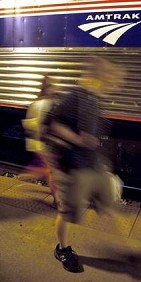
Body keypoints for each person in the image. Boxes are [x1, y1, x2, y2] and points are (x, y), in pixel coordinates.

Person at [40, 57, 124, 273]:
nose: (113, 82)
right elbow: (49, 123)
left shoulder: (95, 99)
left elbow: (93, 137)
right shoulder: (75, 95)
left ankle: (121, 248)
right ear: (98, 75)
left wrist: (100, 161)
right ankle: (62, 249)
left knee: (107, 203)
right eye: (109, 77)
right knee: (68, 213)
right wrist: (77, 140)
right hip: (73, 168)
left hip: (92, 166)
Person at [22, 75, 60, 207]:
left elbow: (28, 125)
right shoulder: (51, 104)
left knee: (49, 171)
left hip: (37, 143)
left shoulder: (35, 103)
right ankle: (57, 200)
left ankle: (30, 173)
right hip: (47, 144)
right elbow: (53, 125)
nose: (56, 88)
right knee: (52, 172)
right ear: (48, 88)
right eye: (54, 86)